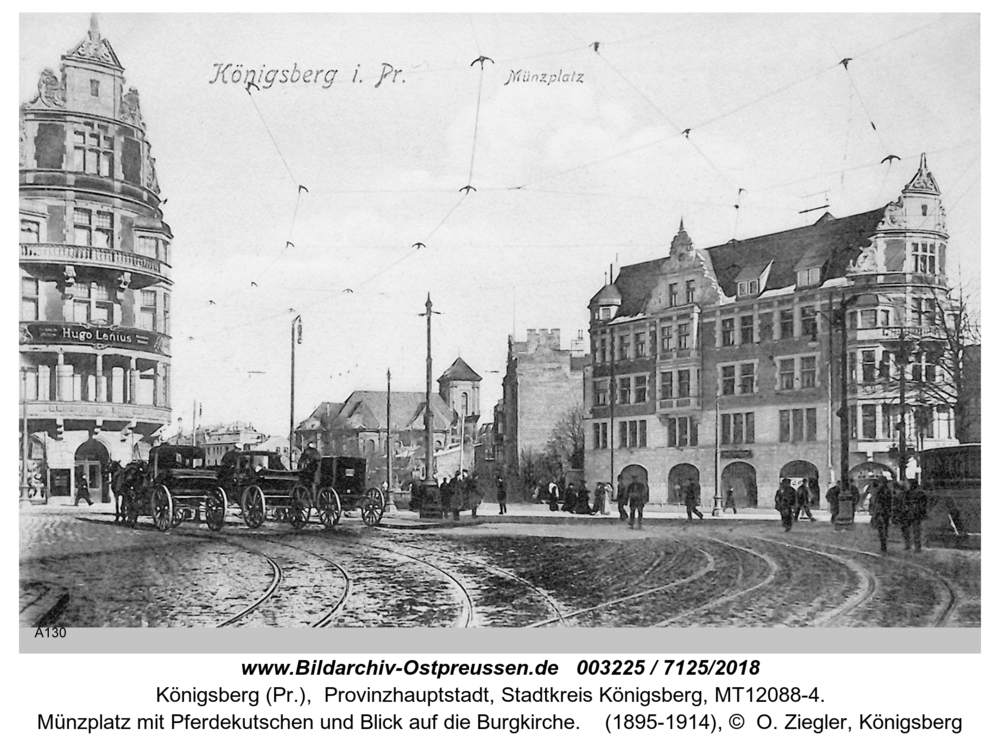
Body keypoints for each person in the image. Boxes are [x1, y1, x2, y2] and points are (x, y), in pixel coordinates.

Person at [898, 479, 929, 552]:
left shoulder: (911, 493)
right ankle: (915, 546)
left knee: (912, 531)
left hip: (912, 514)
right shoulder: (917, 493)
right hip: (913, 514)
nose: (906, 486)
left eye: (907, 484)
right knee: (915, 531)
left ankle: (910, 545)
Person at [869, 476, 893, 554]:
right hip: (885, 511)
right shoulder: (888, 490)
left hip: (879, 511)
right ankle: (884, 544)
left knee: (881, 528)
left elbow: (874, 500)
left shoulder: (878, 490)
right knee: (885, 527)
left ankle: (883, 545)